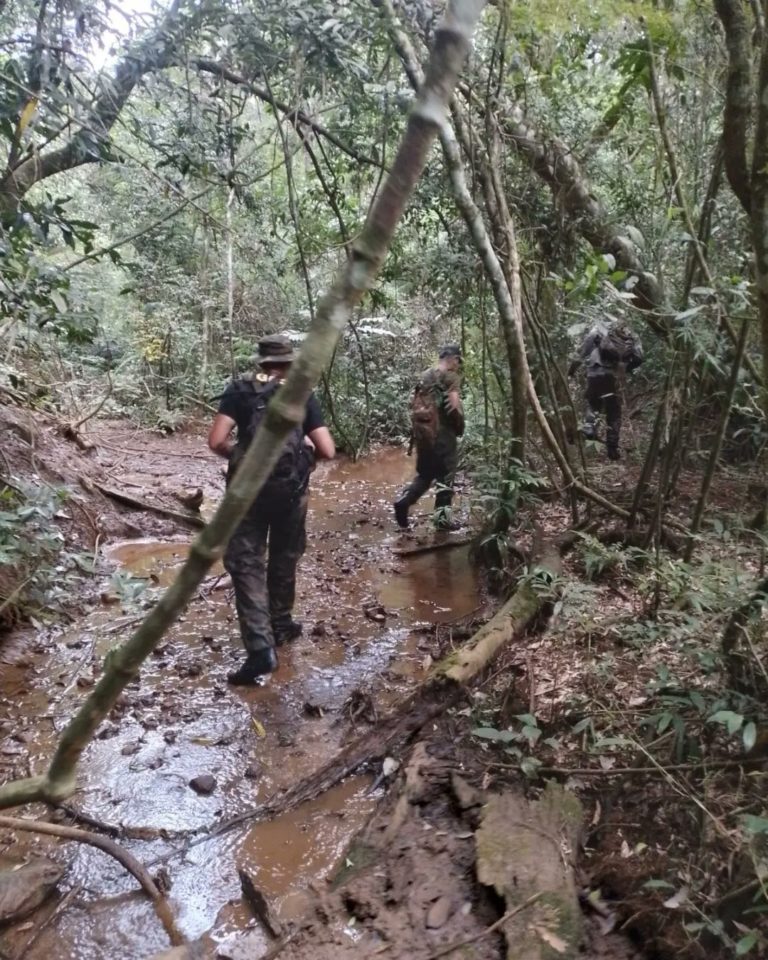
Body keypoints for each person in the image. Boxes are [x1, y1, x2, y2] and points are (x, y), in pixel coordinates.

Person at [208, 335, 335, 685]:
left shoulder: (239, 389)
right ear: (290, 364)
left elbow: (216, 441)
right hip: (291, 493)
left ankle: (261, 648)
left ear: (260, 364)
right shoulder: (301, 393)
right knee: (285, 555)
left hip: (247, 494)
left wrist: (241, 459)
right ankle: (281, 624)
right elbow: (327, 450)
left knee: (246, 562)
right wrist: (302, 459)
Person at [393, 344, 465, 530]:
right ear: (454, 359)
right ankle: (442, 521)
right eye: (458, 361)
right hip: (443, 436)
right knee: (446, 476)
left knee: (425, 474)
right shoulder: (451, 377)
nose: (458, 366)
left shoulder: (425, 375)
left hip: (424, 436)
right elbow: (454, 406)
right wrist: (459, 426)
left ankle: (404, 501)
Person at [568, 320, 643, 461]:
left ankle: (590, 427)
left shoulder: (599, 329)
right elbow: (639, 357)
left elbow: (583, 350)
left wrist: (571, 370)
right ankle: (612, 448)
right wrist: (625, 369)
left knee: (593, 402)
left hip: (595, 371)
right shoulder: (631, 335)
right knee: (614, 412)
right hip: (616, 376)